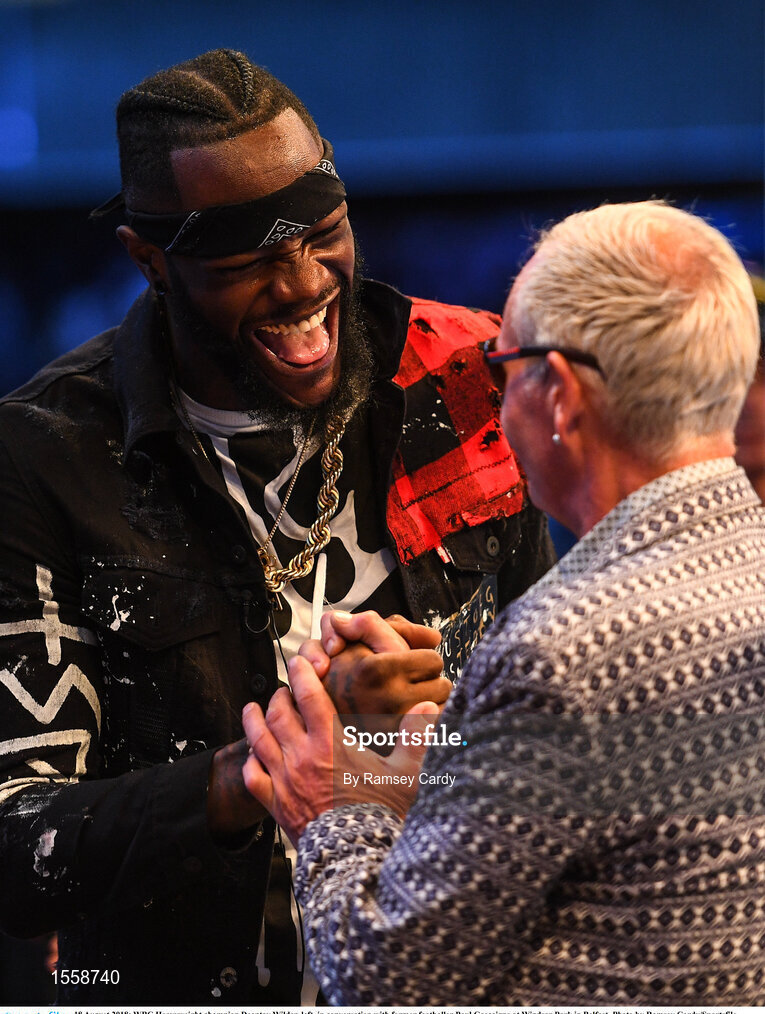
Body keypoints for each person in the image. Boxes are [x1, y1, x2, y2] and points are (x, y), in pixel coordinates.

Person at [0, 49, 554, 1005]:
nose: (302, 284)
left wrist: (422, 738)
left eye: (324, 232)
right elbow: (19, 851)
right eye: (246, 260)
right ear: (149, 260)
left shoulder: (462, 380)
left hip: (443, 979)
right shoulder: (46, 454)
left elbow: (553, 758)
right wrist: (270, 765)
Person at [242, 201, 765, 1005]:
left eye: (500, 369)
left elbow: (384, 981)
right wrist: (462, 740)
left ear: (558, 394)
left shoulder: (562, 656)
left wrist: (332, 807)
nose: (492, 400)